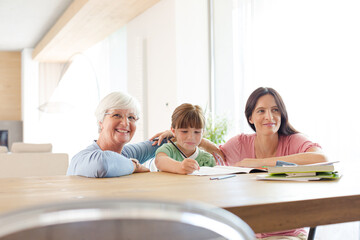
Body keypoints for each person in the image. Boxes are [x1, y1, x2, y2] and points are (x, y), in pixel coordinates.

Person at [201, 87, 327, 240]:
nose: (269, 116)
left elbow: (320, 158)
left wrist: (258, 163)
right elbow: (219, 154)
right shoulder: (240, 143)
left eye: (275, 110)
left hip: (287, 233)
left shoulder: (294, 141)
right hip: (249, 232)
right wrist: (182, 136)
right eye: (261, 111)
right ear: (250, 118)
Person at [67, 91, 170, 178]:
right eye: (116, 115)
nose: (125, 123)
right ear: (101, 121)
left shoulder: (125, 154)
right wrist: (135, 166)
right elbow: (102, 164)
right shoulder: (81, 158)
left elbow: (158, 144)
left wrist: (174, 134)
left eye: (131, 117)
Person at [155, 103, 216, 174]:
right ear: (173, 131)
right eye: (184, 131)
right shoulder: (168, 150)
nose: (191, 137)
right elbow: (159, 161)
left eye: (197, 132)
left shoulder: (207, 159)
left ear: (203, 132)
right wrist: (179, 166)